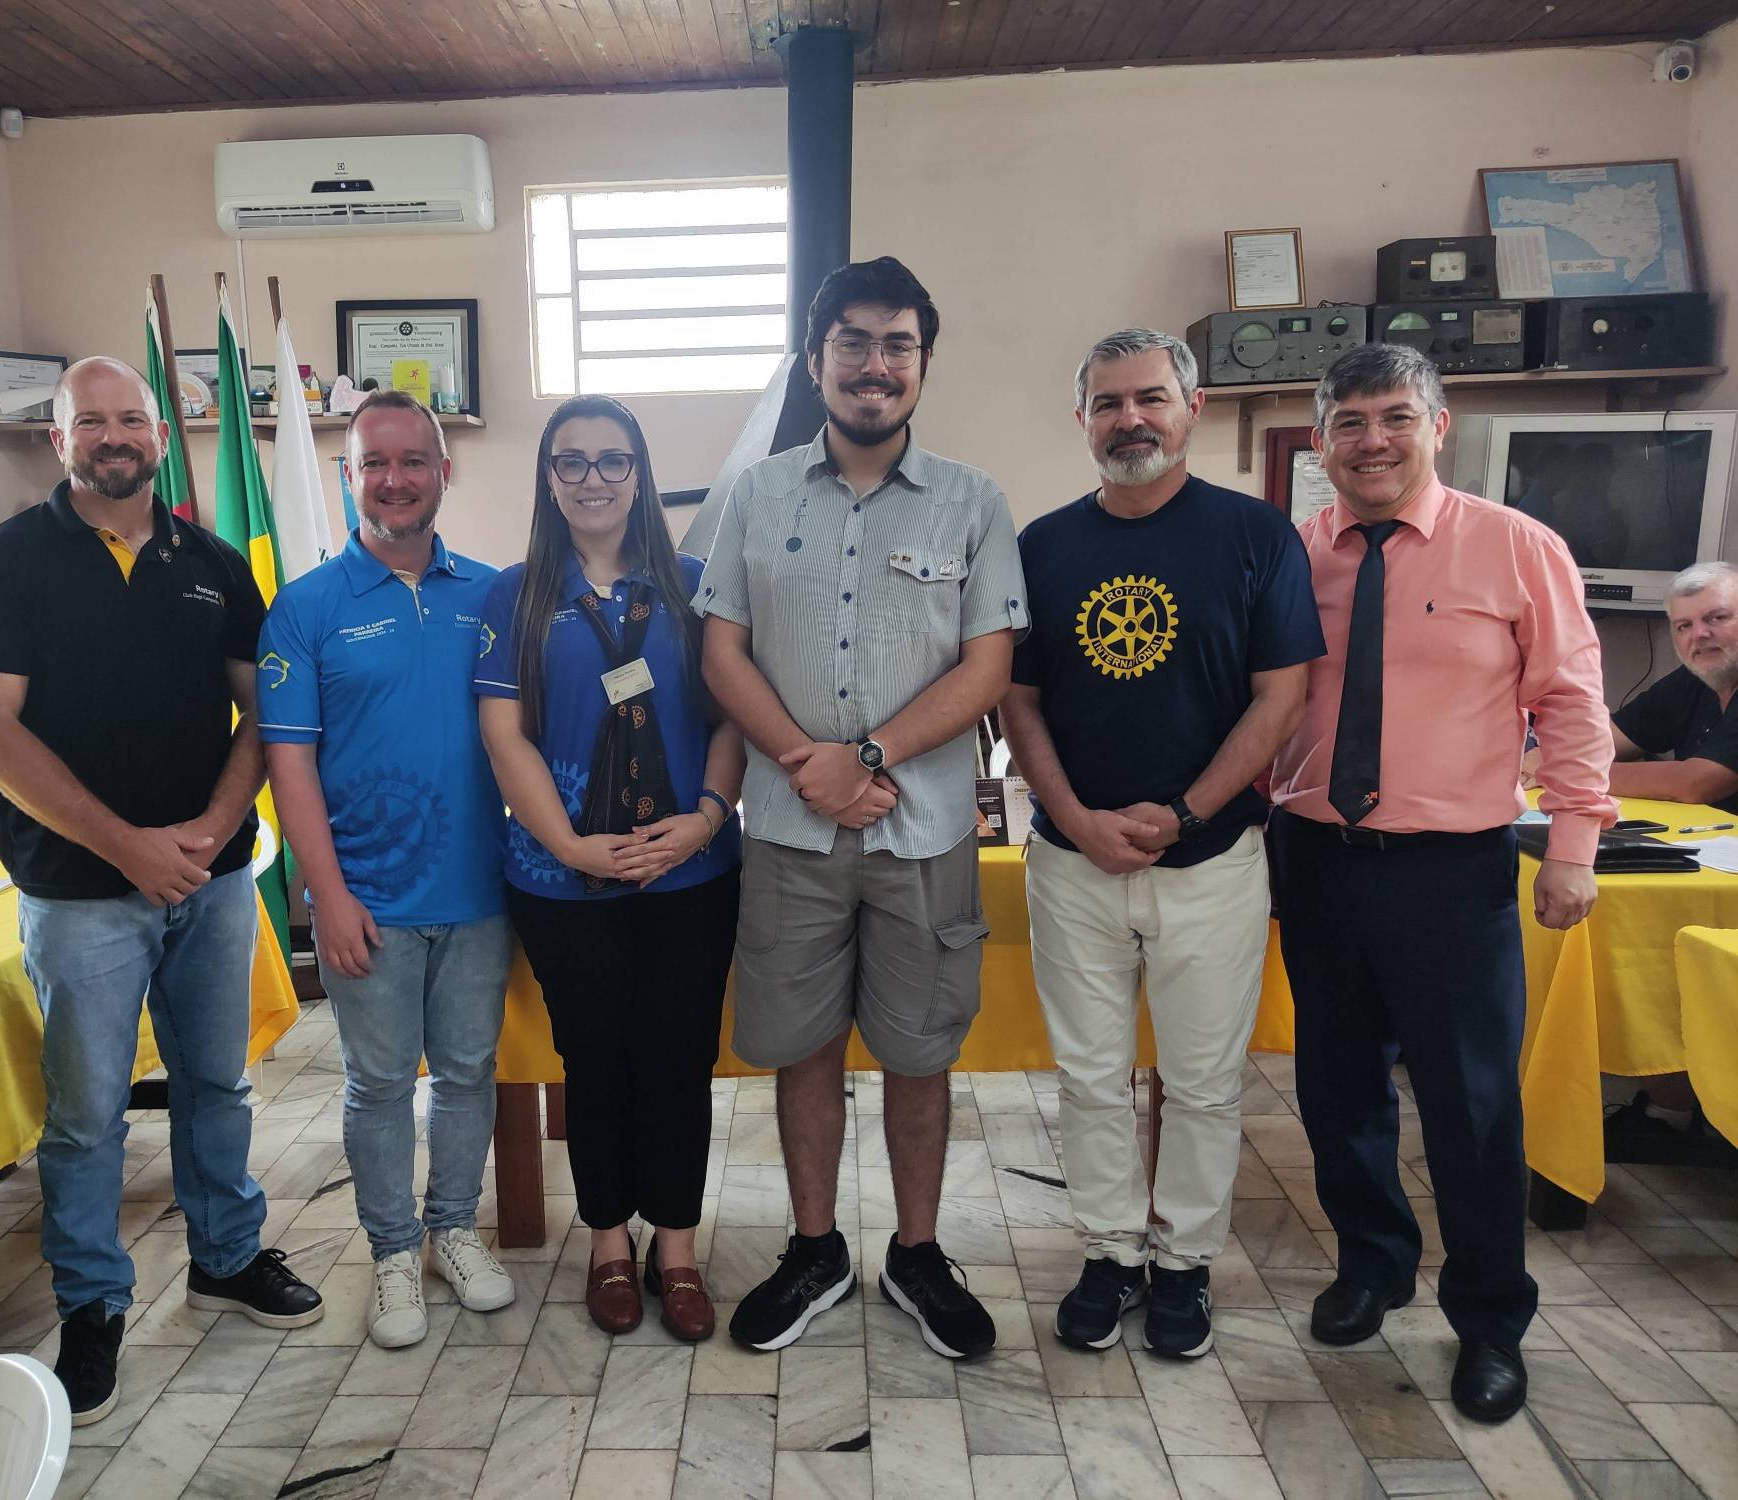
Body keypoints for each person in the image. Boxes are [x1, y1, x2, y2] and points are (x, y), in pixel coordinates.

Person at [0, 356, 322, 1426]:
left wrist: (209, 831)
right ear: (58, 440)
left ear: (159, 435)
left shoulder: (210, 561)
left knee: (217, 1084)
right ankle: (94, 1306)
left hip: (211, 880)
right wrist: (128, 849)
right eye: (90, 421)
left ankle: (226, 1257)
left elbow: (266, 711)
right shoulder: (3, 561)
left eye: (132, 420)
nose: (114, 437)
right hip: (77, 892)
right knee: (86, 1115)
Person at [1269, 343, 1614, 1424]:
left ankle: (1489, 1318)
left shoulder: (1514, 547)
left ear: (1437, 424)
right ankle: (1373, 1264)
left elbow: (1570, 701)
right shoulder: (1291, 555)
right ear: (1320, 440)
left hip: (1451, 870)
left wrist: (1574, 844)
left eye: (1394, 417)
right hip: (1314, 857)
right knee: (1336, 1088)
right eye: (1349, 422)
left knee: (1470, 1105)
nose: (1371, 440)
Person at [695, 256, 1029, 1358]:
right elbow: (722, 652)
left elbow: (987, 666)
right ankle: (814, 1248)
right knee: (801, 1046)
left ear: (921, 364)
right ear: (815, 359)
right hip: (791, 830)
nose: (873, 365)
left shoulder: (974, 501)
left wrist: (872, 756)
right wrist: (811, 766)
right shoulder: (755, 495)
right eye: (852, 342)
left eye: (896, 345)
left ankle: (917, 1254)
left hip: (924, 832)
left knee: (918, 1050)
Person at [1000, 328, 1322, 1358]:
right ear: (1082, 420)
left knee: (1202, 1083)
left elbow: (1280, 697)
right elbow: (1017, 700)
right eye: (1107, 403)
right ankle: (1108, 1253)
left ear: (1192, 409)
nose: (1128, 419)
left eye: (1149, 398)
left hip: (1212, 860)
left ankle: (1182, 1264)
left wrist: (1184, 812)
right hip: (1071, 861)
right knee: (1090, 1078)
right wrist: (1074, 819)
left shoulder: (1255, 535)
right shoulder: (1042, 547)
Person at [475, 395, 744, 1341]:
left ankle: (676, 1243)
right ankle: (606, 1243)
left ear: (640, 475)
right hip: (563, 882)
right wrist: (568, 845)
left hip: (689, 876)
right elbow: (505, 736)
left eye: (612, 460)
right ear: (549, 478)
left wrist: (704, 822)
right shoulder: (515, 595)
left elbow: (731, 717)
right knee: (593, 1060)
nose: (593, 478)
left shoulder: (698, 586)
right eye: (572, 461)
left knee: (678, 1057)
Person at [258, 390, 517, 1350]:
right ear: (348, 476)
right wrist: (325, 897)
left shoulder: (494, 595)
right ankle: (394, 1251)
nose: (396, 479)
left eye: (414, 461)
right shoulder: (305, 607)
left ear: (445, 472)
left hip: (481, 892)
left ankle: (453, 1229)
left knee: (468, 1073)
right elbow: (288, 763)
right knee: (376, 1086)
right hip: (364, 899)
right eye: (376, 463)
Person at [1608, 560, 1738, 813]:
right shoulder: (1695, 677)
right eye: (1684, 625)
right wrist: (1551, 753)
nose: (1699, 634)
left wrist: (1569, 772)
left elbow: (1696, 783)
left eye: (1717, 618)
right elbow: (1609, 739)